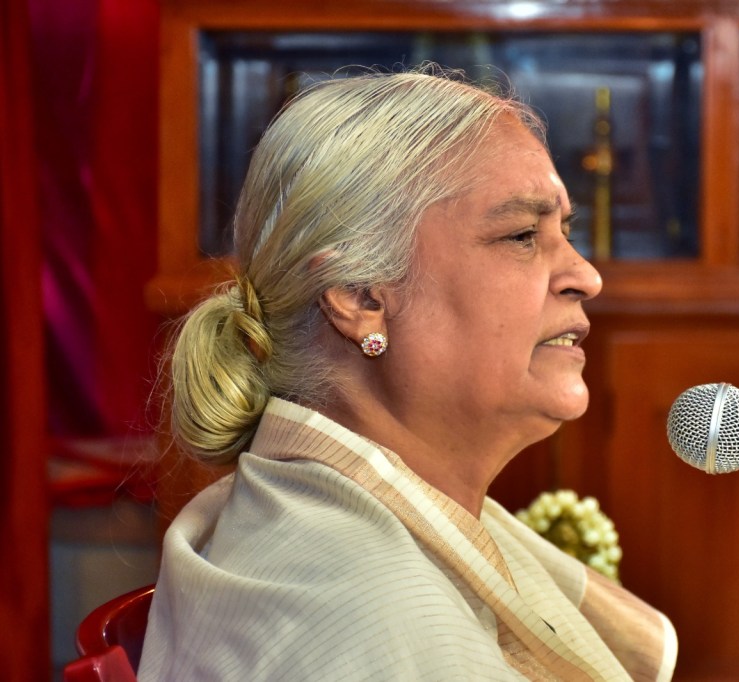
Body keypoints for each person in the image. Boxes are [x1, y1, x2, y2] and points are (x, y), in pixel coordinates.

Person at [138, 67, 677, 680]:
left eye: (565, 231)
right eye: (523, 235)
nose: (586, 276)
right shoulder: (366, 611)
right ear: (359, 296)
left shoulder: (323, 511)